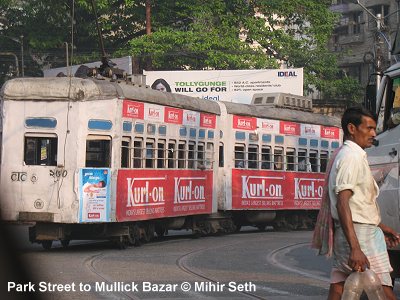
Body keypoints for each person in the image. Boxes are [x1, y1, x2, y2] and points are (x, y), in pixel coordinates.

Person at [312, 107, 400, 300]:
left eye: (374, 129)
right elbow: (343, 203)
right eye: (368, 128)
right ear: (352, 128)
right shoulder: (350, 157)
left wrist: (380, 226)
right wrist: (355, 248)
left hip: (358, 231)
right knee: (382, 288)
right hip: (360, 236)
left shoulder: (352, 154)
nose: (374, 134)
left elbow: (357, 204)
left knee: (339, 285)